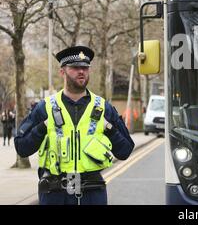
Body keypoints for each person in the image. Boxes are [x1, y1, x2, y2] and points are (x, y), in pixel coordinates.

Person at [14, 46, 135, 205]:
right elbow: (21, 148)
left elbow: (125, 151)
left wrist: (109, 129)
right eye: (75, 67)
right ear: (62, 72)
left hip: (92, 193)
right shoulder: (45, 107)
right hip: (54, 193)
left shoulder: (103, 107)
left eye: (85, 68)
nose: (81, 71)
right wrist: (42, 127)